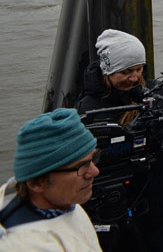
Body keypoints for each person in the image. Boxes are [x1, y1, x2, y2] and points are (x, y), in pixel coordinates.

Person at [75, 29, 163, 252]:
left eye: (138, 69)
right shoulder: (90, 108)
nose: (135, 78)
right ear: (108, 70)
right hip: (125, 207)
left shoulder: (157, 91)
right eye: (126, 71)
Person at [0, 108, 102, 251]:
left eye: (93, 159)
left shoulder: (62, 200)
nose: (95, 171)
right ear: (37, 183)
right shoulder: (26, 245)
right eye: (81, 167)